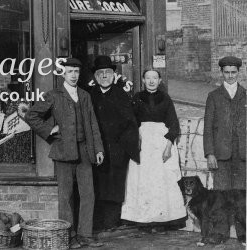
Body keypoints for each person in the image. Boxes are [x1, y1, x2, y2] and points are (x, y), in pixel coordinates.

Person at [22, 57, 105, 248]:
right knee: (65, 195)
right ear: (63, 74)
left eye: (76, 72)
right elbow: (31, 115)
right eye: (70, 72)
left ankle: (85, 234)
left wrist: (98, 149)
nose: (73, 75)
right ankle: (69, 236)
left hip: (85, 150)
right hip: (63, 151)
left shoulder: (85, 95)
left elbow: (93, 124)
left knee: (88, 194)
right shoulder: (53, 95)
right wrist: (49, 130)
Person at [120, 68, 186, 231]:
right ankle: (144, 219)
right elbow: (130, 121)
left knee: (161, 180)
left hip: (161, 142)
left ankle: (162, 220)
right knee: (143, 179)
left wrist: (169, 146)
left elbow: (173, 124)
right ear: (143, 80)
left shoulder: (165, 98)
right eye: (148, 78)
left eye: (154, 78)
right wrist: (137, 136)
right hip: (142, 144)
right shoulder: (137, 98)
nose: (151, 81)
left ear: (160, 80)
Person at [88, 56, 139, 232]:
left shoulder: (121, 95)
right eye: (100, 73)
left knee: (115, 185)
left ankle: (111, 222)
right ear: (95, 76)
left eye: (108, 73)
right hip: (95, 148)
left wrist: (124, 148)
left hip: (117, 150)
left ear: (113, 75)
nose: (104, 76)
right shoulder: (89, 95)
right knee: (96, 185)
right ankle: (97, 223)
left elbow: (131, 124)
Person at [204, 56, 245, 190]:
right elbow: (208, 127)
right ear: (222, 73)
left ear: (239, 72)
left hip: (242, 155)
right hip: (221, 155)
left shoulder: (245, 95)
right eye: (227, 72)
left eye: (233, 72)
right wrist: (210, 153)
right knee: (221, 197)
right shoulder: (214, 96)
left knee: (241, 198)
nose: (230, 76)